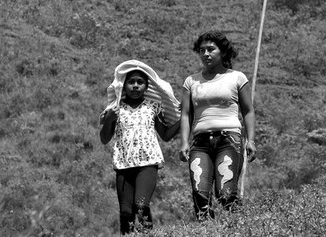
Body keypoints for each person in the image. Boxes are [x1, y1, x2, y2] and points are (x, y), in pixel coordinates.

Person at [178, 31, 256, 219]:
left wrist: (251, 140)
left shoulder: (236, 77)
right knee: (200, 194)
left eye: (211, 49)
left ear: (223, 52)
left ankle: (237, 230)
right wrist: (184, 143)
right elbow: (186, 114)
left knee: (226, 194)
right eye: (202, 50)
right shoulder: (191, 81)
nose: (206, 54)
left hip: (229, 139)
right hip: (200, 143)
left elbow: (248, 110)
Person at [99, 61, 181, 234]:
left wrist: (184, 118)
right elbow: (104, 138)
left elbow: (165, 135)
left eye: (140, 82)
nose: (135, 86)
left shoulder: (153, 107)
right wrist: (108, 120)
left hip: (147, 163)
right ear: (124, 85)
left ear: (146, 86)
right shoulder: (116, 108)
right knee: (125, 212)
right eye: (131, 82)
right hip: (123, 165)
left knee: (141, 205)